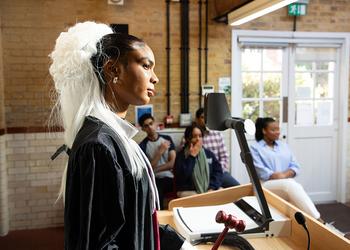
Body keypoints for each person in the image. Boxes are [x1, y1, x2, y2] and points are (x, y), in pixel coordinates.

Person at [49, 21, 191, 250]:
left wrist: (184, 246)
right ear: (113, 70)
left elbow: (133, 223)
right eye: (146, 66)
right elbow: (100, 244)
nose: (155, 78)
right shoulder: (98, 145)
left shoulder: (114, 136)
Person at [250, 117, 321, 219]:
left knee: (294, 193)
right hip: (264, 185)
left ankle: (315, 228)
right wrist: (285, 175)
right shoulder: (255, 148)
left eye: (278, 129)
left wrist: (282, 175)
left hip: (285, 183)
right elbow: (263, 173)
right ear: (264, 131)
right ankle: (318, 219)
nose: (277, 132)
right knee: (290, 184)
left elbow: (295, 166)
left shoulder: (284, 146)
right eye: (273, 130)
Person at [139, 113, 176, 210]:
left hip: (169, 177)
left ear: (155, 123)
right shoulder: (142, 146)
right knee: (156, 189)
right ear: (143, 129)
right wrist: (160, 152)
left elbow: (172, 163)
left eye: (151, 123)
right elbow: (147, 168)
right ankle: (159, 218)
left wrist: (155, 169)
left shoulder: (167, 139)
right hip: (154, 179)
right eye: (146, 126)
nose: (150, 127)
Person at [195, 108, 240, 188]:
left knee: (237, 187)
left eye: (207, 117)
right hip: (200, 175)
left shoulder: (217, 134)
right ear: (197, 120)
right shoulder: (192, 137)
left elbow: (224, 157)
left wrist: (217, 172)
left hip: (219, 172)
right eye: (202, 117)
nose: (205, 120)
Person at [175, 123, 223, 197]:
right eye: (194, 136)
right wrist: (192, 156)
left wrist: (212, 188)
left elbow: (218, 172)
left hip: (209, 189)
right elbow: (181, 178)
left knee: (223, 192)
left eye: (200, 136)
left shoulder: (209, 154)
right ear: (188, 139)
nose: (198, 139)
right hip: (189, 191)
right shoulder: (181, 156)